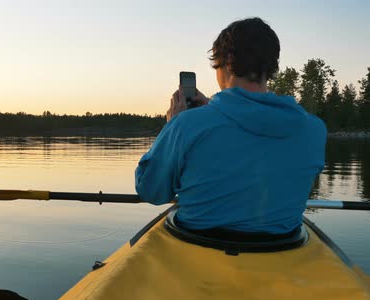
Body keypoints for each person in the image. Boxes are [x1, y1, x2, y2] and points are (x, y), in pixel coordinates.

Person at [135, 17, 326, 235]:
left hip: (200, 247)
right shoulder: (315, 129)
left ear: (226, 61)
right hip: (281, 248)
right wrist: (213, 112)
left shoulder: (186, 125)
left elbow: (150, 191)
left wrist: (173, 126)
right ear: (272, 67)